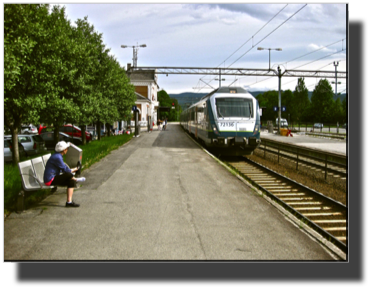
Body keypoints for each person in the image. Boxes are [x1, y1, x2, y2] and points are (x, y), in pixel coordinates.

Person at [43, 141, 85, 207]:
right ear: (64, 150)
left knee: (71, 182)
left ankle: (69, 202)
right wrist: (75, 169)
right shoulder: (57, 157)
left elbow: (64, 167)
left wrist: (74, 169)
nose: (67, 150)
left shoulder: (57, 155)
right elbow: (65, 170)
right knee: (69, 174)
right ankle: (76, 179)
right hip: (50, 180)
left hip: (54, 177)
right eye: (67, 149)